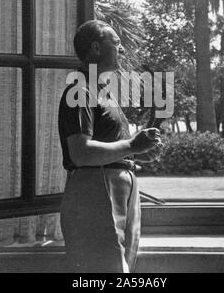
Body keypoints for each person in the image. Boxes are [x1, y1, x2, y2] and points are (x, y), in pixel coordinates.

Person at [58, 20, 162, 273]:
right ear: (95, 48)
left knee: (119, 266)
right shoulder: (80, 90)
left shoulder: (101, 91)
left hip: (113, 187)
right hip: (97, 189)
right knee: (107, 268)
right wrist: (131, 145)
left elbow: (111, 147)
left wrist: (137, 152)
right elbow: (81, 153)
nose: (122, 49)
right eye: (116, 43)